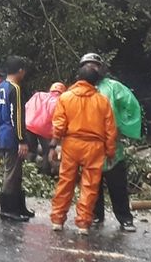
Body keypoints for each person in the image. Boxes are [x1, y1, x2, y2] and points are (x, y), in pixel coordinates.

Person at [49, 65, 117, 235]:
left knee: (65, 181)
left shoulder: (65, 98)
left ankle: (57, 220)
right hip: (95, 147)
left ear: (78, 78)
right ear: (95, 82)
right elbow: (110, 130)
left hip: (71, 144)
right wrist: (110, 152)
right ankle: (83, 224)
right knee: (90, 186)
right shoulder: (102, 101)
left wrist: (53, 145)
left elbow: (59, 125)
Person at [79, 53, 143, 232]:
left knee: (118, 186)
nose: (92, 69)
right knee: (92, 186)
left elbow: (131, 107)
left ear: (101, 68)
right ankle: (95, 215)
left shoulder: (114, 87)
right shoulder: (77, 90)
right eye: (87, 66)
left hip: (112, 146)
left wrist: (121, 127)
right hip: (88, 147)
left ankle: (125, 218)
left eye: (94, 65)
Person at [0, 56, 33, 222]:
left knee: (16, 171)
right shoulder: (14, 89)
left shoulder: (0, 88)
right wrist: (22, 139)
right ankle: (8, 209)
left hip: (2, 132)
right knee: (11, 172)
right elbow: (16, 115)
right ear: (20, 71)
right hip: (12, 135)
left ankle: (18, 206)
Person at [25, 82, 66, 174]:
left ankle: (28, 171)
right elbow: (58, 121)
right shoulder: (59, 101)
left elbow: (26, 107)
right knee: (47, 152)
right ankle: (45, 174)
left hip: (29, 125)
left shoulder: (38, 95)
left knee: (31, 150)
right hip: (44, 130)